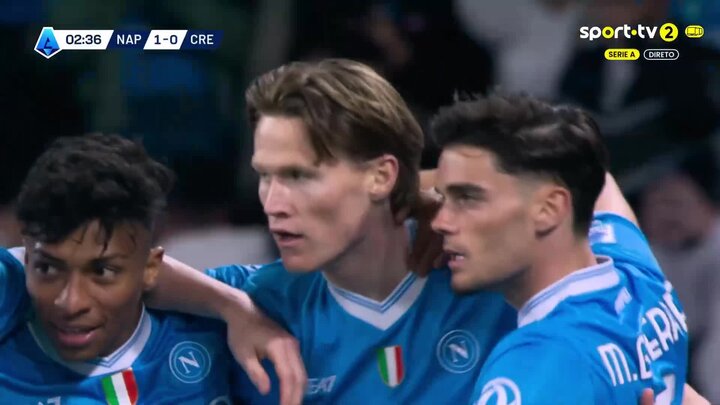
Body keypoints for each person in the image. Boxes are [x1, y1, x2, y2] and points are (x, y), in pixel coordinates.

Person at [146, 58, 517, 404]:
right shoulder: (258, 297)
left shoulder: (496, 273)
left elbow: (545, 182)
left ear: (381, 176)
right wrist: (232, 308)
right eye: (265, 176)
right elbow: (129, 269)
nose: (272, 204)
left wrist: (435, 193)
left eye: (298, 175)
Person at [0, 134, 305, 404]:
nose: (71, 303)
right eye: (48, 269)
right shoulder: (9, 307)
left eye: (102, 272)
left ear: (150, 269)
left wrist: (237, 308)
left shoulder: (223, 314)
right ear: (26, 259)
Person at [428, 93, 688, 404]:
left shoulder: (539, 363)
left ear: (550, 209)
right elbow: (596, 179)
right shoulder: (637, 273)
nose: (439, 222)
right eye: (442, 198)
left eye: (468, 198)